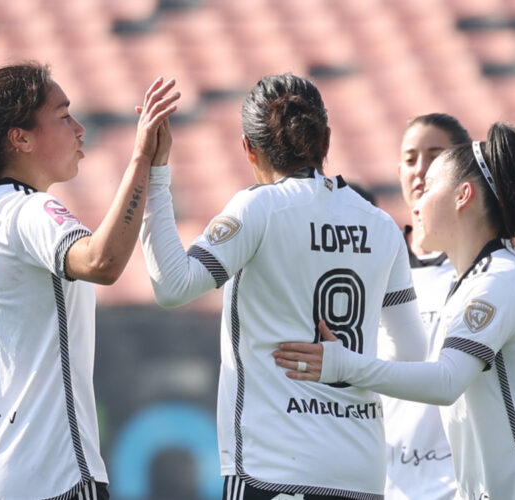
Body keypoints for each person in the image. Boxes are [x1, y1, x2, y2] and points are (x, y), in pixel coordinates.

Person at [274, 121, 515, 500]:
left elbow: (446, 382)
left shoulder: (498, 280)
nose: (417, 199)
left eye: (431, 184)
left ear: (463, 196)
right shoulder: (487, 276)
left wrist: (342, 365)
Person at [140, 73, 427, 500]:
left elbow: (172, 285)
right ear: (326, 139)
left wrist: (155, 173)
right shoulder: (381, 225)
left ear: (248, 148)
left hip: (272, 468)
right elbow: (410, 355)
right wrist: (343, 366)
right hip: (360, 470)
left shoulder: (260, 209)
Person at [0, 62, 179, 499]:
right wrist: (142, 160)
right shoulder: (26, 210)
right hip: (47, 477)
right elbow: (103, 261)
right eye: (63, 115)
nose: (79, 129)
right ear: (20, 138)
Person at [378, 114, 471, 500]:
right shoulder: (375, 261)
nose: (421, 170)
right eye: (411, 158)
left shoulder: (486, 269)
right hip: (383, 485)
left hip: (459, 485)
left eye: (435, 155)